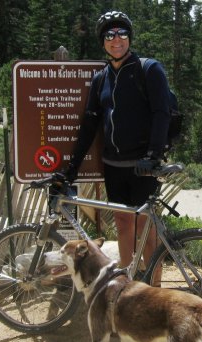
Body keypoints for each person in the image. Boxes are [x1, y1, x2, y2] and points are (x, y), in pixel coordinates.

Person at [64, 10, 171, 283]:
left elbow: (162, 113)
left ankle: (154, 289)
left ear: (129, 38)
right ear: (103, 42)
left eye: (122, 33)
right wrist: (71, 169)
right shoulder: (101, 78)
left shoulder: (148, 69)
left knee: (146, 228)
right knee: (123, 225)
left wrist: (154, 155)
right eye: (110, 35)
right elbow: (90, 125)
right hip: (113, 165)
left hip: (142, 166)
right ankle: (127, 286)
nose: (117, 39)